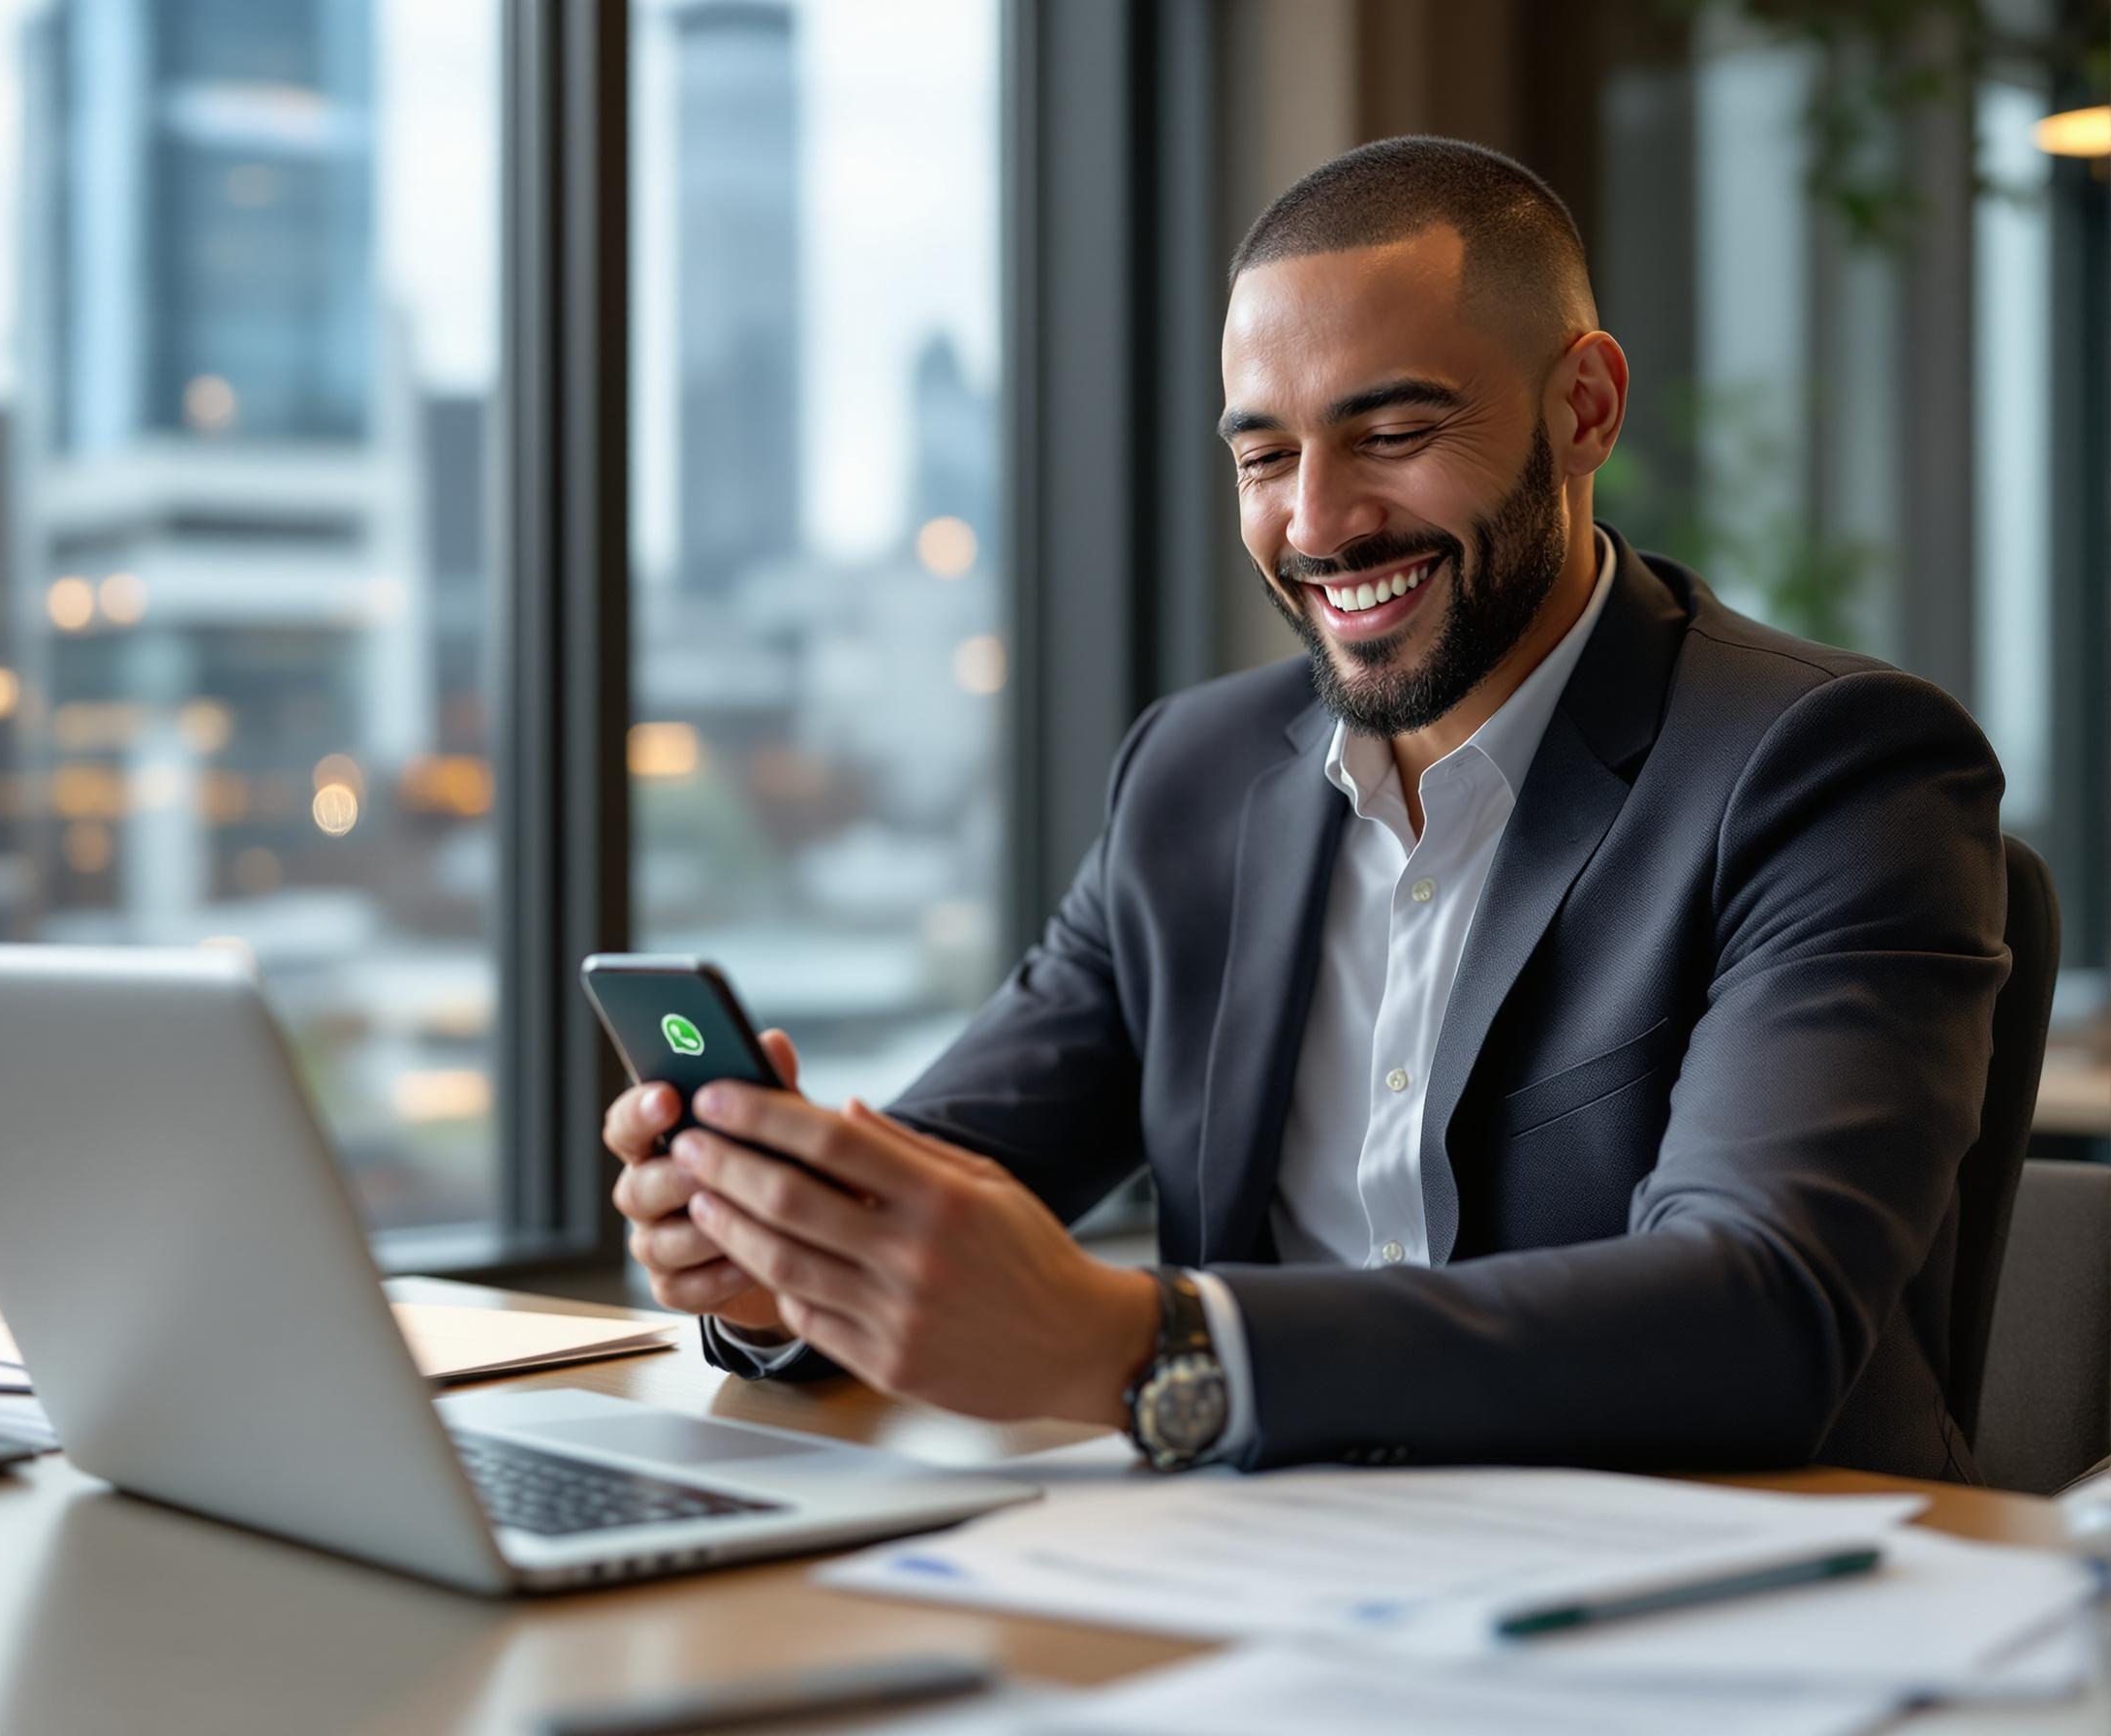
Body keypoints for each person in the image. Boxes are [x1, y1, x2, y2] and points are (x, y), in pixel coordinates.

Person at [606, 136, 2008, 1480]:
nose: (1319, 524)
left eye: (1392, 430)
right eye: (1264, 459)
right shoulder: (1193, 779)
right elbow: (955, 1171)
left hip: (1729, 1593)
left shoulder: (1831, 765)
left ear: (1582, 408)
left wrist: (1149, 1348)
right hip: (1282, 1581)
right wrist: (782, 1261)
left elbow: (1757, 1316)